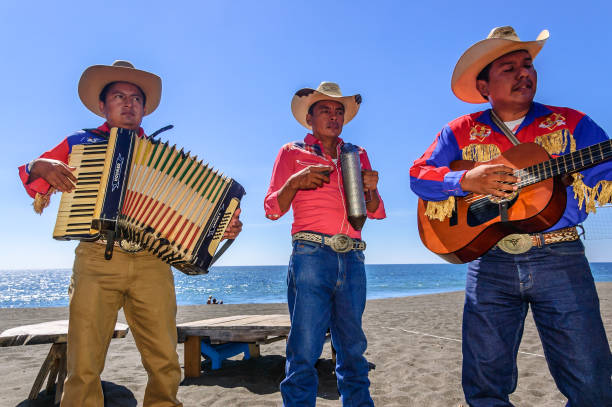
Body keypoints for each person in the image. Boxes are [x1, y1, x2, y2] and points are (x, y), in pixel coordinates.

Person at [18, 60, 242, 407]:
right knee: (83, 367)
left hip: (152, 262)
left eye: (136, 98)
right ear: (102, 106)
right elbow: (33, 180)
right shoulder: (81, 143)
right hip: (96, 260)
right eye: (119, 96)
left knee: (165, 363)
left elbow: (200, 217)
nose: (128, 103)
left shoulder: (166, 159)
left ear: (144, 108)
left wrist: (223, 227)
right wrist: (38, 165)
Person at [410, 27, 612, 406]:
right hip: (489, 262)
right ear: (484, 85)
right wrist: (465, 179)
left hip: (560, 257)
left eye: (528, 64)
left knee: (592, 382)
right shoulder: (458, 131)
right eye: (509, 68)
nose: (524, 73)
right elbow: (418, 177)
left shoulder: (573, 123)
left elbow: (607, 175)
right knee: (485, 384)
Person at [264, 82, 386, 406]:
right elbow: (272, 208)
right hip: (311, 255)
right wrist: (295, 181)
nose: (333, 117)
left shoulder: (356, 154)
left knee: (353, 351)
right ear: (309, 118)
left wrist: (372, 187)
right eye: (325, 110)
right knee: (304, 351)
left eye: (338, 111)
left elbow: (374, 211)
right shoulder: (291, 152)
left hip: (353, 257)